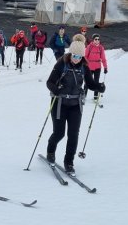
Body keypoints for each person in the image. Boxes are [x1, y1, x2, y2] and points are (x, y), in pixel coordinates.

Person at [45, 34, 105, 174]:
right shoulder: (62, 63)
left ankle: (69, 162)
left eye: (79, 57)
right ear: (70, 53)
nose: (76, 59)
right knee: (59, 133)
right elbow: (50, 82)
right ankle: (50, 151)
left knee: (73, 135)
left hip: (75, 105)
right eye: (74, 56)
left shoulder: (84, 66)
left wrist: (99, 87)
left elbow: (90, 83)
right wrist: (56, 90)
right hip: (59, 103)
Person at [83, 33, 108, 101]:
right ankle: (84, 96)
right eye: (95, 39)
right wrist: (86, 64)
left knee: (96, 82)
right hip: (89, 67)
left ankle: (95, 97)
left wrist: (105, 67)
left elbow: (103, 58)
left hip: (97, 67)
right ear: (93, 40)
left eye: (98, 39)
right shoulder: (89, 47)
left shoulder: (101, 48)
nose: (97, 40)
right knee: (87, 82)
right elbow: (85, 56)